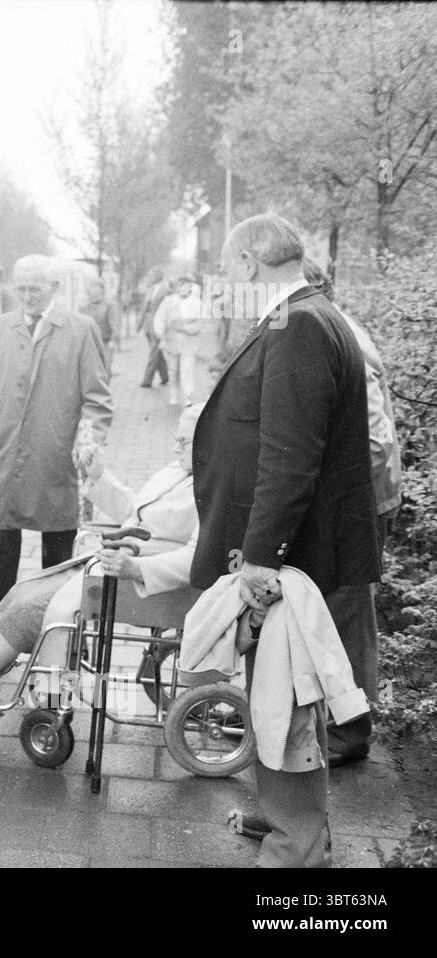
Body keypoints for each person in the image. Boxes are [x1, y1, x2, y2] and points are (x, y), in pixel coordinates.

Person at [192, 213, 378, 867]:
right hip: (293, 549)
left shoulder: (298, 323)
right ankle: (281, 818)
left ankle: (298, 845)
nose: (224, 281)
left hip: (289, 556)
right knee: (276, 691)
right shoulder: (308, 314)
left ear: (247, 263)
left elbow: (291, 459)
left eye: (225, 268)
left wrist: (259, 560)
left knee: (288, 699)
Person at [0, 405, 203, 721]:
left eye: (184, 441)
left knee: (35, 613)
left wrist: (137, 568)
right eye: (176, 438)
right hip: (119, 562)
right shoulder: (180, 470)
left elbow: (197, 557)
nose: (175, 446)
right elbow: (137, 516)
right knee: (22, 595)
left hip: (146, 578)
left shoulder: (214, 488)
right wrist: (99, 477)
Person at [302, 258, 402, 766]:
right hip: (352, 496)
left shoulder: (341, 340)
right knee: (336, 611)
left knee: (344, 614)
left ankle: (349, 731)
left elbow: (374, 437)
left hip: (357, 501)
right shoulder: (332, 330)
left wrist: (351, 507)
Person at [0, 253, 113, 611]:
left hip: (56, 456)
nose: (27, 296)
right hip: (7, 458)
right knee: (2, 542)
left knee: (58, 549)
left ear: (54, 287)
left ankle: (52, 621)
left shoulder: (80, 329)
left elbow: (97, 399)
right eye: (20, 288)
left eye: (34, 288)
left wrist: (89, 444)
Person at [153, 274, 205, 406]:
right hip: (171, 341)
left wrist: (185, 328)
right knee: (173, 369)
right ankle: (173, 394)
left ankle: (188, 396)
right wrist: (160, 332)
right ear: (176, 287)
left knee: (187, 369)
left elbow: (200, 322)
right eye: (180, 286)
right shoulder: (169, 301)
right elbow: (160, 317)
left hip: (189, 341)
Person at [138, 267, 171, 388]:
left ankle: (147, 380)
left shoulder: (165, 289)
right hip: (148, 326)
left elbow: (167, 309)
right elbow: (144, 308)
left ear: (158, 276)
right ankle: (165, 376)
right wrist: (140, 324)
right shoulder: (150, 289)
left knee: (153, 352)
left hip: (158, 325)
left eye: (151, 275)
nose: (149, 278)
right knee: (157, 352)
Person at [80, 277, 120, 357]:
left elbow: (115, 324)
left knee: (105, 367)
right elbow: (80, 326)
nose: (93, 296)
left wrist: (113, 341)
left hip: (105, 343)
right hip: (88, 344)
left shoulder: (110, 305)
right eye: (91, 293)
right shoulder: (84, 307)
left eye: (97, 293)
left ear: (102, 292)